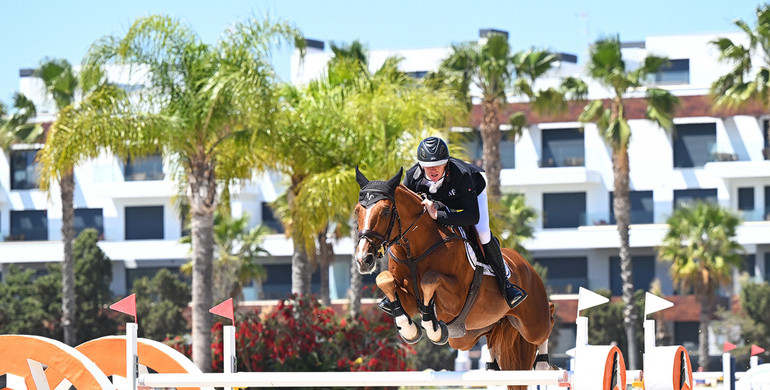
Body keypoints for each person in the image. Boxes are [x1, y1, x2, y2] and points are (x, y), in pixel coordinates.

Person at [402, 136, 526, 309]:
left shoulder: (462, 174)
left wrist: (438, 216)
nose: (433, 170)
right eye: (428, 166)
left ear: (446, 163)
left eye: (438, 164)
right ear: (421, 165)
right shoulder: (411, 178)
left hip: (469, 199)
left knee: (482, 232)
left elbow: (471, 216)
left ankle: (506, 285)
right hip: (439, 202)